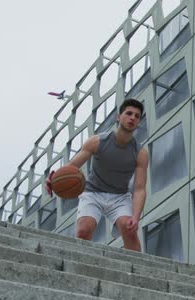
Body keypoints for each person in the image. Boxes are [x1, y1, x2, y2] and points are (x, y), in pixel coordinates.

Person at [46, 99, 148, 251]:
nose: (132, 118)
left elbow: (140, 189)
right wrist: (53, 178)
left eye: (137, 116)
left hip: (119, 197)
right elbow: (72, 167)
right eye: (128, 113)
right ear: (119, 117)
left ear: (139, 122)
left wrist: (135, 217)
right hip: (93, 192)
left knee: (130, 231)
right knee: (83, 231)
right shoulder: (97, 141)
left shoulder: (141, 153)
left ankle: (139, 271)